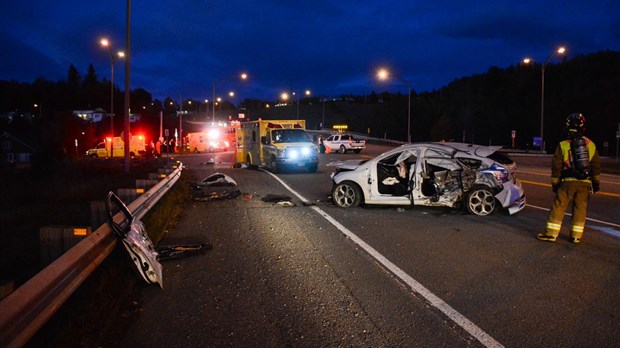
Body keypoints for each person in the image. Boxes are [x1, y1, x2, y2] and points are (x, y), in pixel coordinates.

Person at [537, 113, 601, 244]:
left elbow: (556, 166)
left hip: (567, 183)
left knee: (559, 207)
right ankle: (576, 236)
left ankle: (551, 234)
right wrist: (596, 183)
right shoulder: (591, 145)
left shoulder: (563, 145)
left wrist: (555, 183)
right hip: (585, 183)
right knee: (580, 209)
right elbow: (596, 167)